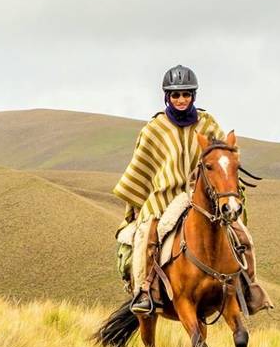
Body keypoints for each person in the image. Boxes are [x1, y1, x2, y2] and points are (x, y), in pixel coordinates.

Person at [112, 65, 271, 316]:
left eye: (186, 94)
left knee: (242, 236)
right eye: (175, 95)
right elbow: (141, 169)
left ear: (193, 96)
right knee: (146, 236)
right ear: (167, 97)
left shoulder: (208, 123)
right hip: (165, 198)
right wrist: (134, 209)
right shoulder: (154, 130)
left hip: (206, 197)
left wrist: (228, 186)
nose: (181, 99)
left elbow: (223, 154)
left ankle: (248, 287)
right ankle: (145, 291)